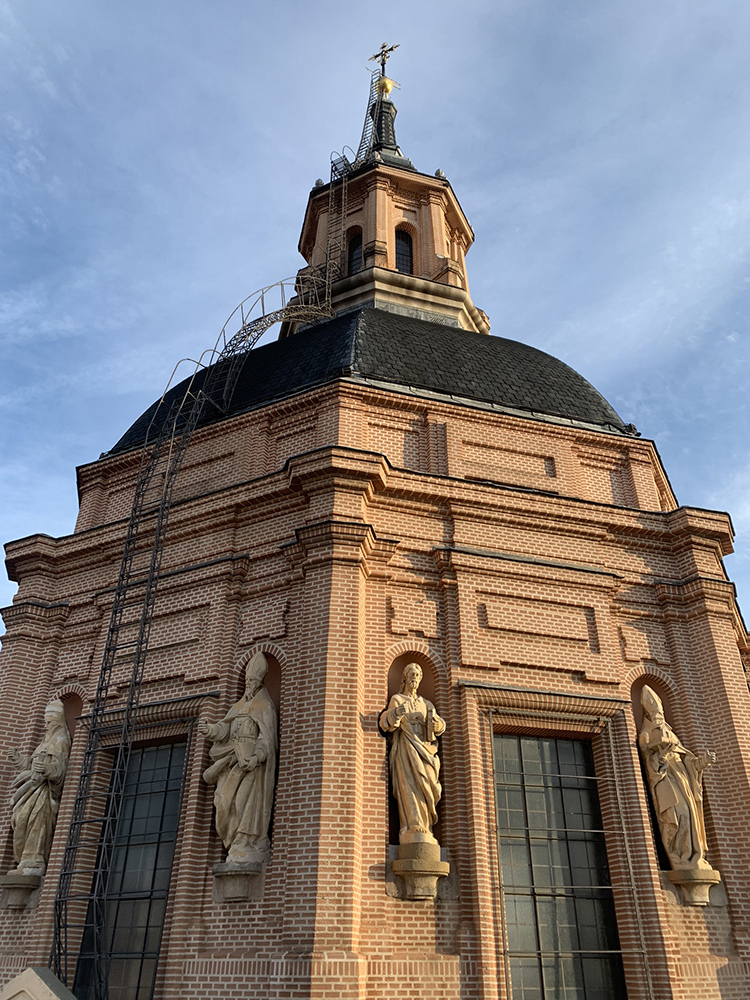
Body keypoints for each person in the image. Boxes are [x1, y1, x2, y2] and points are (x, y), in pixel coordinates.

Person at [199, 652, 277, 865]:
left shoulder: (265, 707)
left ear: (259, 682)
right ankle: (233, 841)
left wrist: (255, 758)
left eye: (253, 680)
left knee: (245, 804)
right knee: (224, 802)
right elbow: (225, 728)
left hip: (251, 766)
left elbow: (267, 740)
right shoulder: (237, 706)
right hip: (231, 761)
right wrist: (211, 730)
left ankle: (246, 842)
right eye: (247, 680)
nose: (249, 684)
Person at [638, 685, 716, 871]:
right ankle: (680, 858)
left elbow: (686, 761)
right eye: (655, 716)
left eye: (660, 715)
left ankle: (694, 858)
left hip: (682, 780)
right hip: (665, 782)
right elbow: (651, 767)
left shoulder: (671, 733)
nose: (659, 719)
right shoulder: (645, 735)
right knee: (677, 816)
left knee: (691, 817)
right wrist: (662, 757)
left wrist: (702, 763)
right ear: (648, 716)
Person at [379, 662, 445, 844]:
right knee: (409, 785)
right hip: (406, 749)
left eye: (417, 675)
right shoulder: (398, 699)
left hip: (426, 750)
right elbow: (385, 722)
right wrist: (397, 713)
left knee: (427, 783)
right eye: (411, 675)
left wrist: (438, 725)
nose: (414, 678)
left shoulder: (426, 703)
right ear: (405, 678)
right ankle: (411, 825)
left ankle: (427, 827)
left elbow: (439, 724)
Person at [7, 699, 71, 875]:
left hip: (44, 792)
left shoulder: (60, 741)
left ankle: (33, 862)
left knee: (36, 821)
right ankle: (22, 862)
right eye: (45, 722)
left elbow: (60, 769)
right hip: (30, 789)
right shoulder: (44, 741)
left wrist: (46, 769)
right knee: (20, 819)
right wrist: (18, 759)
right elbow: (30, 765)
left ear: (57, 722)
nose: (46, 725)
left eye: (50, 722)